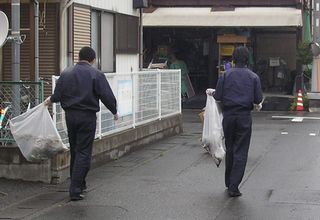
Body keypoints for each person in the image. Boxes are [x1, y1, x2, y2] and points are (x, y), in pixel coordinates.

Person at [45, 46, 118, 201]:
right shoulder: (96, 74)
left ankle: (80, 183)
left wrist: (49, 100)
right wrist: (114, 111)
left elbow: (58, 95)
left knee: (76, 151)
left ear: (78, 58)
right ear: (93, 59)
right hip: (87, 116)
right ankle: (75, 189)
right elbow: (106, 95)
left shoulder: (66, 73)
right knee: (84, 152)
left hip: (70, 116)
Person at [207, 46, 263, 197]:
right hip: (244, 116)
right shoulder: (253, 77)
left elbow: (218, 96)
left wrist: (213, 92)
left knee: (230, 148)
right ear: (247, 59)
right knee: (241, 151)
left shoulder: (225, 76)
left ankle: (228, 181)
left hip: (229, 116)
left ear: (233, 59)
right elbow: (258, 99)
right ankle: (233, 186)